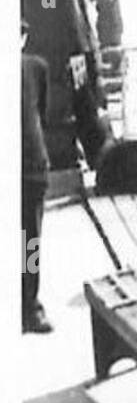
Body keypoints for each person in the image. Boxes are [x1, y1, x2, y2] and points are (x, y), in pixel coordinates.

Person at [21, 20, 52, 334]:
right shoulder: (38, 68)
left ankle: (28, 303)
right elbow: (44, 114)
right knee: (29, 242)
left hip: (29, 170)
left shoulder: (35, 68)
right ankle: (29, 305)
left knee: (28, 242)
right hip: (32, 169)